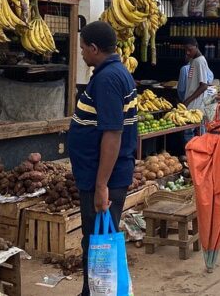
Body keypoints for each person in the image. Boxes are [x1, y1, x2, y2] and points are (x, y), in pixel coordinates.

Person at [66, 21, 138, 296]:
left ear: (94, 48)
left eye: (83, 47)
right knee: (96, 241)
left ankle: (95, 292)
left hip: (103, 177)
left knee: (97, 243)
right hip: (104, 174)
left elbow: (113, 134)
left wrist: (100, 186)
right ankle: (93, 291)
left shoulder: (108, 79)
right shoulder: (116, 73)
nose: (82, 53)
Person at [182, 38, 211, 142]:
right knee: (190, 132)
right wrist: (189, 55)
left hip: (196, 105)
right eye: (185, 50)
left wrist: (188, 100)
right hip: (191, 105)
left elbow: (204, 85)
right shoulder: (194, 60)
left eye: (189, 49)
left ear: (197, 46)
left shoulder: (200, 62)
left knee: (192, 133)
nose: (187, 52)